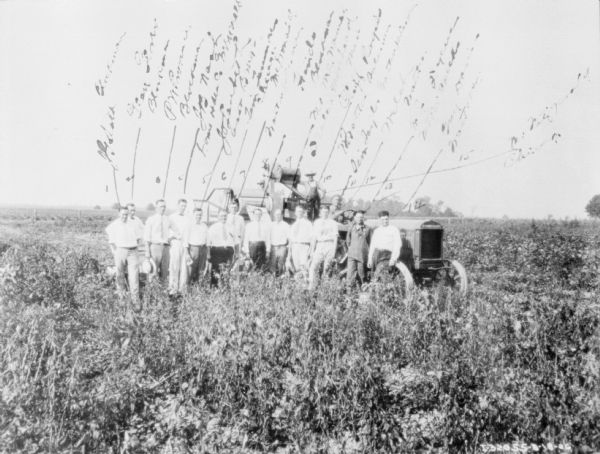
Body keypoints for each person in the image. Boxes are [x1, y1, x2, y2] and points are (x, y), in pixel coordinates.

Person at [106, 206, 142, 306]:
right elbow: (111, 241)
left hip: (132, 251)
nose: (124, 216)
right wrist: (115, 251)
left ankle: (135, 300)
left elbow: (138, 238)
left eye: (126, 214)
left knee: (134, 276)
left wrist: (134, 247)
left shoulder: (133, 224)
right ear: (119, 214)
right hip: (120, 251)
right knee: (119, 274)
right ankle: (121, 298)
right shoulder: (114, 225)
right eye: (123, 214)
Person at [144, 199, 176, 282]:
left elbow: (177, 231)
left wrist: (171, 238)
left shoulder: (168, 219)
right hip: (155, 247)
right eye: (161, 206)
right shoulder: (151, 219)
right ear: (156, 208)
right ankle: (151, 291)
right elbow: (146, 237)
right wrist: (147, 252)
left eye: (164, 206)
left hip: (165, 248)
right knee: (153, 271)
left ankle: (163, 292)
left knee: (165, 271)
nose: (163, 208)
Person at [308, 205, 338, 289]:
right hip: (320, 244)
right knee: (314, 266)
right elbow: (314, 238)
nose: (324, 213)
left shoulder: (333, 223)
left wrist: (333, 252)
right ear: (320, 213)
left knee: (327, 267)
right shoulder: (317, 222)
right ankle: (312, 286)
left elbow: (335, 238)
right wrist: (312, 251)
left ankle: (324, 288)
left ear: (328, 212)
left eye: (326, 212)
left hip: (329, 245)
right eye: (323, 212)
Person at [367, 210, 401, 276]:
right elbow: (372, 246)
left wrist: (393, 258)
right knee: (374, 274)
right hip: (377, 254)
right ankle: (375, 285)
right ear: (379, 219)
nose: (385, 221)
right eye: (383, 219)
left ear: (388, 219)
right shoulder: (377, 230)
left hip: (387, 255)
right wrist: (370, 259)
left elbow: (397, 245)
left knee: (383, 272)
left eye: (386, 219)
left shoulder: (394, 229)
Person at [168, 198, 190, 294]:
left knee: (184, 267)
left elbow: (188, 233)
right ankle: (173, 289)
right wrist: (172, 237)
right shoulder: (171, 217)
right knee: (174, 266)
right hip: (175, 243)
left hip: (184, 244)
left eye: (185, 206)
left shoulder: (187, 218)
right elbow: (167, 231)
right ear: (177, 206)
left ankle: (182, 290)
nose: (183, 208)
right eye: (182, 205)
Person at [207, 210, 235, 286]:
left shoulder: (231, 227)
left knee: (227, 270)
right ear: (218, 217)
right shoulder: (213, 227)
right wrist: (208, 254)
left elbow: (235, 240)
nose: (223, 217)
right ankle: (214, 288)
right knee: (216, 270)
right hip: (217, 250)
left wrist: (235, 252)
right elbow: (208, 242)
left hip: (228, 250)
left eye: (225, 216)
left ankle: (225, 288)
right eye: (221, 216)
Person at [345, 210, 372, 289]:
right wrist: (351, 249)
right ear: (355, 218)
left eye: (361, 217)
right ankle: (349, 292)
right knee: (350, 274)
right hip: (352, 255)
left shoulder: (368, 229)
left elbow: (370, 242)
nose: (360, 219)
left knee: (362, 274)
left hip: (362, 256)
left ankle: (363, 292)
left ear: (363, 218)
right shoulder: (351, 227)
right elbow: (348, 240)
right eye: (358, 217)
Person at [184, 207, 209, 285]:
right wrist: (187, 254)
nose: (198, 216)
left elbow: (207, 240)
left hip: (203, 249)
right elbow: (185, 241)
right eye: (197, 215)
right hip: (193, 250)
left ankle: (198, 292)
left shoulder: (204, 226)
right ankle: (187, 292)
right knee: (190, 271)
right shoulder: (189, 225)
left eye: (200, 215)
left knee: (201, 271)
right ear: (193, 215)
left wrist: (207, 253)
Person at [287, 205, 312, 280]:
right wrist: (289, 253)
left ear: (303, 212)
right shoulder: (293, 225)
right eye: (298, 211)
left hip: (304, 246)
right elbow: (291, 240)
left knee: (304, 267)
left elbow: (312, 238)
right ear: (295, 213)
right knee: (296, 267)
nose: (299, 213)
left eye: (301, 211)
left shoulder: (308, 224)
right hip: (295, 246)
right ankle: (298, 286)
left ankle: (305, 285)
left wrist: (310, 251)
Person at [269, 208, 290, 277]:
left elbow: (289, 237)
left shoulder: (286, 225)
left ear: (282, 215)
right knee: (272, 263)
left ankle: (280, 279)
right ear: (274, 215)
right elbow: (268, 236)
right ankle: (272, 279)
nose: (278, 216)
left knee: (281, 264)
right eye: (276, 215)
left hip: (282, 247)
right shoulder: (271, 225)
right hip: (273, 247)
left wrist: (288, 247)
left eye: (279, 214)